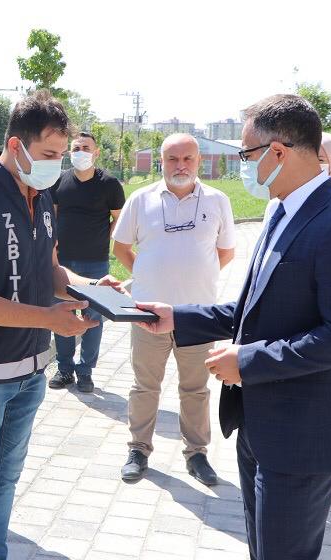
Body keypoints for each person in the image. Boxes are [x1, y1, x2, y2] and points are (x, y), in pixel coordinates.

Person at [138, 94, 331, 560]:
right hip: (259, 423)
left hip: (302, 435)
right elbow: (255, 307)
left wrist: (247, 361)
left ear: (279, 152)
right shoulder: (281, 210)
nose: (243, 166)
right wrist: (178, 315)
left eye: (247, 155)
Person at [0, 91, 120, 560]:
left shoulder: (42, 197)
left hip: (30, 370)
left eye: (62, 155)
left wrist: (90, 287)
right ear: (16, 146)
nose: (58, 164)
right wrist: (47, 318)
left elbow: (49, 270)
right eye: (50, 155)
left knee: (3, 482)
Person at [112, 133, 235, 485]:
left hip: (198, 316)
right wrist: (148, 276)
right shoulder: (141, 199)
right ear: (161, 162)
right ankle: (138, 449)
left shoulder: (217, 200)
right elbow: (120, 247)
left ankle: (197, 454)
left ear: (199, 162)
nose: (180, 166)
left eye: (188, 159)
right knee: (144, 385)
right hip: (147, 314)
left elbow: (225, 253)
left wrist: (195, 278)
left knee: (196, 388)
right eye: (172, 159)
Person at [48, 131, 125, 393]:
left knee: (93, 319)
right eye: (76, 147)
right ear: (70, 152)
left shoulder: (109, 184)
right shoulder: (59, 182)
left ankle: (85, 372)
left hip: (95, 262)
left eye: (86, 147)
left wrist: (104, 237)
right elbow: (52, 217)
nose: (80, 152)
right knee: (63, 313)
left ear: (96, 152)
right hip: (63, 264)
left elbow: (119, 219)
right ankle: (65, 369)